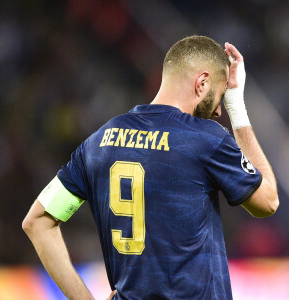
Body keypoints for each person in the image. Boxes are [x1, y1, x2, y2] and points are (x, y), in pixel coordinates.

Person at [22, 36, 279, 300]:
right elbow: (267, 201)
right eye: (220, 96)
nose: (217, 111)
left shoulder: (98, 141)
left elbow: (37, 221)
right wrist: (236, 106)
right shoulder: (205, 138)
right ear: (202, 83)